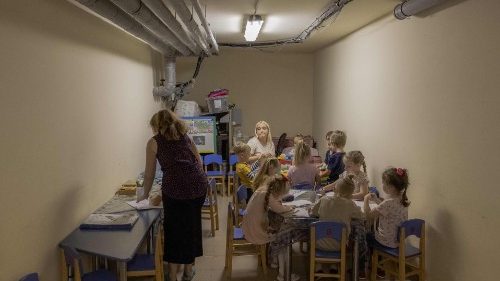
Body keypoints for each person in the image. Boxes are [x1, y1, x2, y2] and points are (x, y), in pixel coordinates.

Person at [138, 109, 208, 281]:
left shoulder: (154, 142)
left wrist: (144, 195)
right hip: (198, 186)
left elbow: (149, 174)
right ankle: (188, 271)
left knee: (174, 232)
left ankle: (171, 275)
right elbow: (198, 163)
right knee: (190, 228)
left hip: (176, 190)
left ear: (157, 126)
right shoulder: (186, 137)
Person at [242, 175, 300, 281]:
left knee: (278, 231)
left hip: (249, 225)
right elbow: (279, 209)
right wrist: (290, 207)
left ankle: (275, 262)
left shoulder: (264, 189)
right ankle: (283, 274)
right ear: (278, 189)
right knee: (283, 240)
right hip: (255, 230)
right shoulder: (267, 195)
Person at [310, 175, 364, 272]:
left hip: (318, 243)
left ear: (334, 189)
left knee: (323, 231)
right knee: (338, 234)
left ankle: (318, 266)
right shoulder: (350, 204)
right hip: (340, 245)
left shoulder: (324, 200)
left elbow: (313, 212)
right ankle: (334, 266)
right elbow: (362, 216)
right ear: (351, 193)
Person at [364, 167, 410, 249]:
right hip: (398, 241)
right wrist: (376, 199)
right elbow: (387, 209)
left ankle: (369, 261)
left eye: (383, 183)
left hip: (386, 242)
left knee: (366, 235)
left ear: (391, 187)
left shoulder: (388, 203)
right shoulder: (402, 200)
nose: (382, 185)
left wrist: (365, 199)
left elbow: (368, 216)